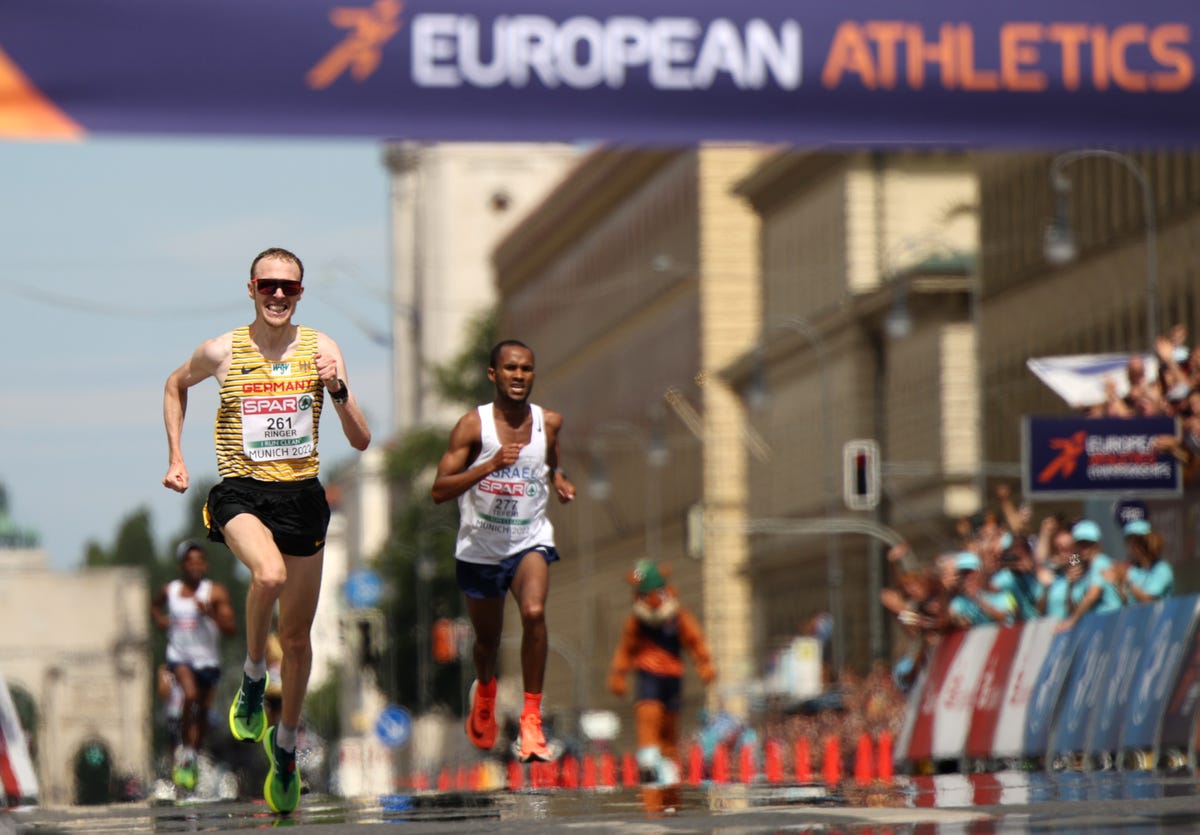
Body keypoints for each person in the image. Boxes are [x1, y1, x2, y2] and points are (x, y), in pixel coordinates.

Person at [161, 246, 371, 813]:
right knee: (269, 575)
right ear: (251, 288)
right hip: (241, 491)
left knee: (299, 640)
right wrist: (177, 457)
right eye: (269, 285)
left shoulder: (323, 350)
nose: (279, 296)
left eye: (290, 288)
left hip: (301, 496)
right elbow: (174, 386)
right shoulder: (221, 350)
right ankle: (254, 675)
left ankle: (286, 746)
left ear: (300, 293)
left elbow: (360, 439)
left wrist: (339, 390)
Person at [431, 339, 575, 763]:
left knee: (533, 613)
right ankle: (486, 690)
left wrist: (559, 478)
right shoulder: (472, 428)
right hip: (480, 547)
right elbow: (439, 490)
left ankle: (532, 719)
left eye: (527, 369)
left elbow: (550, 458)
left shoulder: (549, 422)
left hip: (528, 539)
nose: (519, 376)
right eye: (510, 368)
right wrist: (489, 466)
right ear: (493, 374)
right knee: (487, 642)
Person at [607, 560, 716, 794]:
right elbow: (626, 649)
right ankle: (648, 755)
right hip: (648, 676)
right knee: (649, 714)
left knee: (669, 721)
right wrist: (619, 674)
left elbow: (695, 641)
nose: (654, 601)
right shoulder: (637, 622)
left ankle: (667, 761)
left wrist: (704, 664)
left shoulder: (678, 617)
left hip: (673, 677)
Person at [150, 540, 236, 791]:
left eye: (200, 561)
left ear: (205, 564)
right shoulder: (171, 591)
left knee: (204, 717)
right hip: (179, 657)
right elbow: (154, 605)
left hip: (208, 661)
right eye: (190, 561)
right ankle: (187, 753)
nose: (195, 566)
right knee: (190, 695)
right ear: (182, 565)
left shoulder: (215, 593)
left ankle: (191, 756)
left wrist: (211, 613)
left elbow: (231, 629)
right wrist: (161, 620)